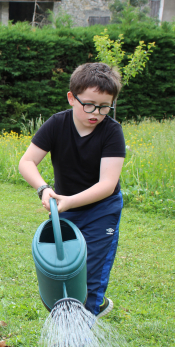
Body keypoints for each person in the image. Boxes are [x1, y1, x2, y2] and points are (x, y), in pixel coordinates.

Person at [19, 62, 126, 318]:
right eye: (88, 104)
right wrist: (43, 189)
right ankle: (82, 309)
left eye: (104, 107)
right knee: (66, 268)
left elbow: (106, 185)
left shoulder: (112, 132)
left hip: (102, 210)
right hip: (65, 210)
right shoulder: (57, 124)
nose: (96, 113)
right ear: (71, 98)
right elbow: (27, 162)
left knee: (92, 268)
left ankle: (85, 319)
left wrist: (68, 201)